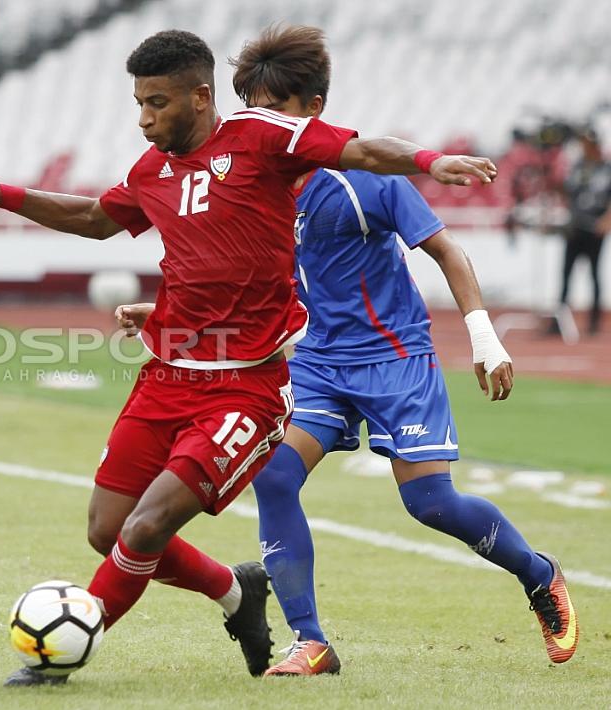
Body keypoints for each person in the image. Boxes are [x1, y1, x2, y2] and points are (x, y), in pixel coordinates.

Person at [0, 29, 497, 687]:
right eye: (138, 103)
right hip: (166, 377)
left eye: (157, 103)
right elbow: (94, 218)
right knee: (107, 529)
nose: (143, 119)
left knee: (147, 525)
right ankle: (235, 591)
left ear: (200, 97)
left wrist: (428, 160)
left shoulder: (262, 137)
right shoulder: (152, 171)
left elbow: (361, 148)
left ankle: (61, 652)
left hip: (245, 390)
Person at [186, 24, 571, 675]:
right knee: (274, 473)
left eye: (274, 106)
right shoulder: (252, 184)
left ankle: (540, 575)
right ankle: (310, 640)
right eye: (251, 107)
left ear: (312, 109)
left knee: (430, 504)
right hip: (316, 363)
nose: (261, 121)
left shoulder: (364, 177)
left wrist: (484, 337)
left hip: (394, 358)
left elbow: (446, 250)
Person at [558, 127, 611, 334]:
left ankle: (594, 322)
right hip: (576, 227)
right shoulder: (578, 167)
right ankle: (559, 320)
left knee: (594, 275)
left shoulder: (606, 169)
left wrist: (607, 220)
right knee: (565, 274)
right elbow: (568, 192)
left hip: (594, 229)